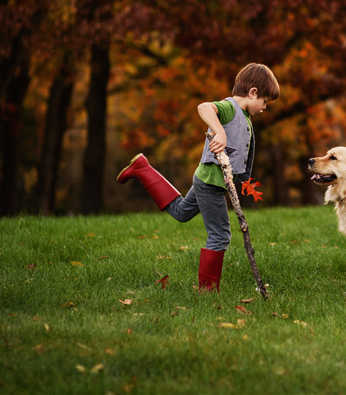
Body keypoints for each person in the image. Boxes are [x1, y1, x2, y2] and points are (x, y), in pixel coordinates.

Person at [116, 63, 280, 292]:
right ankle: (208, 291)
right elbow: (204, 107)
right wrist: (219, 131)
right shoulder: (229, 108)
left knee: (182, 212)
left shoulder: (244, 116)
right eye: (265, 102)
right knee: (220, 234)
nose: (264, 107)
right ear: (253, 92)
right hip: (210, 183)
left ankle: (142, 169)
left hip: (208, 180)